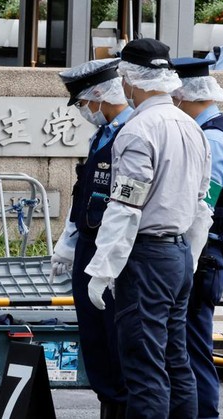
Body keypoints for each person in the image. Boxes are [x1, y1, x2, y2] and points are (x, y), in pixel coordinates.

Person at [83, 38, 213, 419]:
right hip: (178, 253)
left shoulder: (138, 131)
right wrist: (187, 258)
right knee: (176, 361)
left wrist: (102, 268)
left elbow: (125, 206)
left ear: (130, 79)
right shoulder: (192, 127)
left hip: (146, 257)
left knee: (144, 367)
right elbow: (202, 205)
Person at [52, 57, 134, 419]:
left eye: (84, 103)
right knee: (94, 337)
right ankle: (107, 405)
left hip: (114, 250)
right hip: (89, 244)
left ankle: (119, 408)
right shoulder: (102, 133)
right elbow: (84, 191)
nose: (84, 111)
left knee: (116, 340)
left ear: (101, 94)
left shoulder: (133, 133)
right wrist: (69, 243)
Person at [171, 57, 223, 419]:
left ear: (183, 94)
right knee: (187, 346)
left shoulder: (212, 138)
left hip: (203, 258)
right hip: (206, 257)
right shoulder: (208, 130)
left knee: (192, 349)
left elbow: (201, 211)